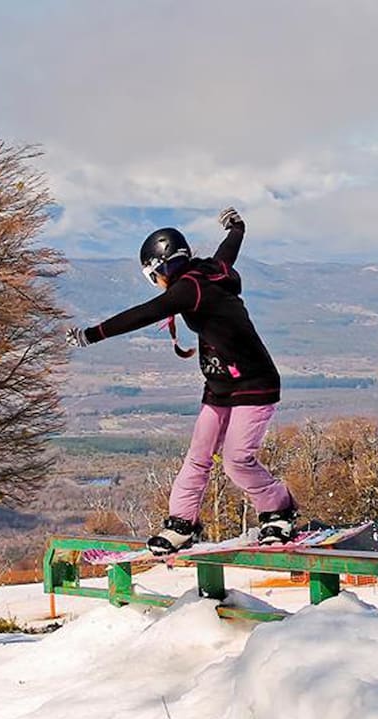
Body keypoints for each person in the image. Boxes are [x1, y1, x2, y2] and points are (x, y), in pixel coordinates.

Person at [67, 207, 298, 554]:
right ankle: (181, 523)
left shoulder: (188, 289)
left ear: (158, 269)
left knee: (236, 459)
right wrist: (237, 228)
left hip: (254, 383)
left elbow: (141, 314)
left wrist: (91, 335)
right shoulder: (210, 271)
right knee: (199, 454)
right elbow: (228, 251)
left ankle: (278, 510)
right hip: (220, 385)